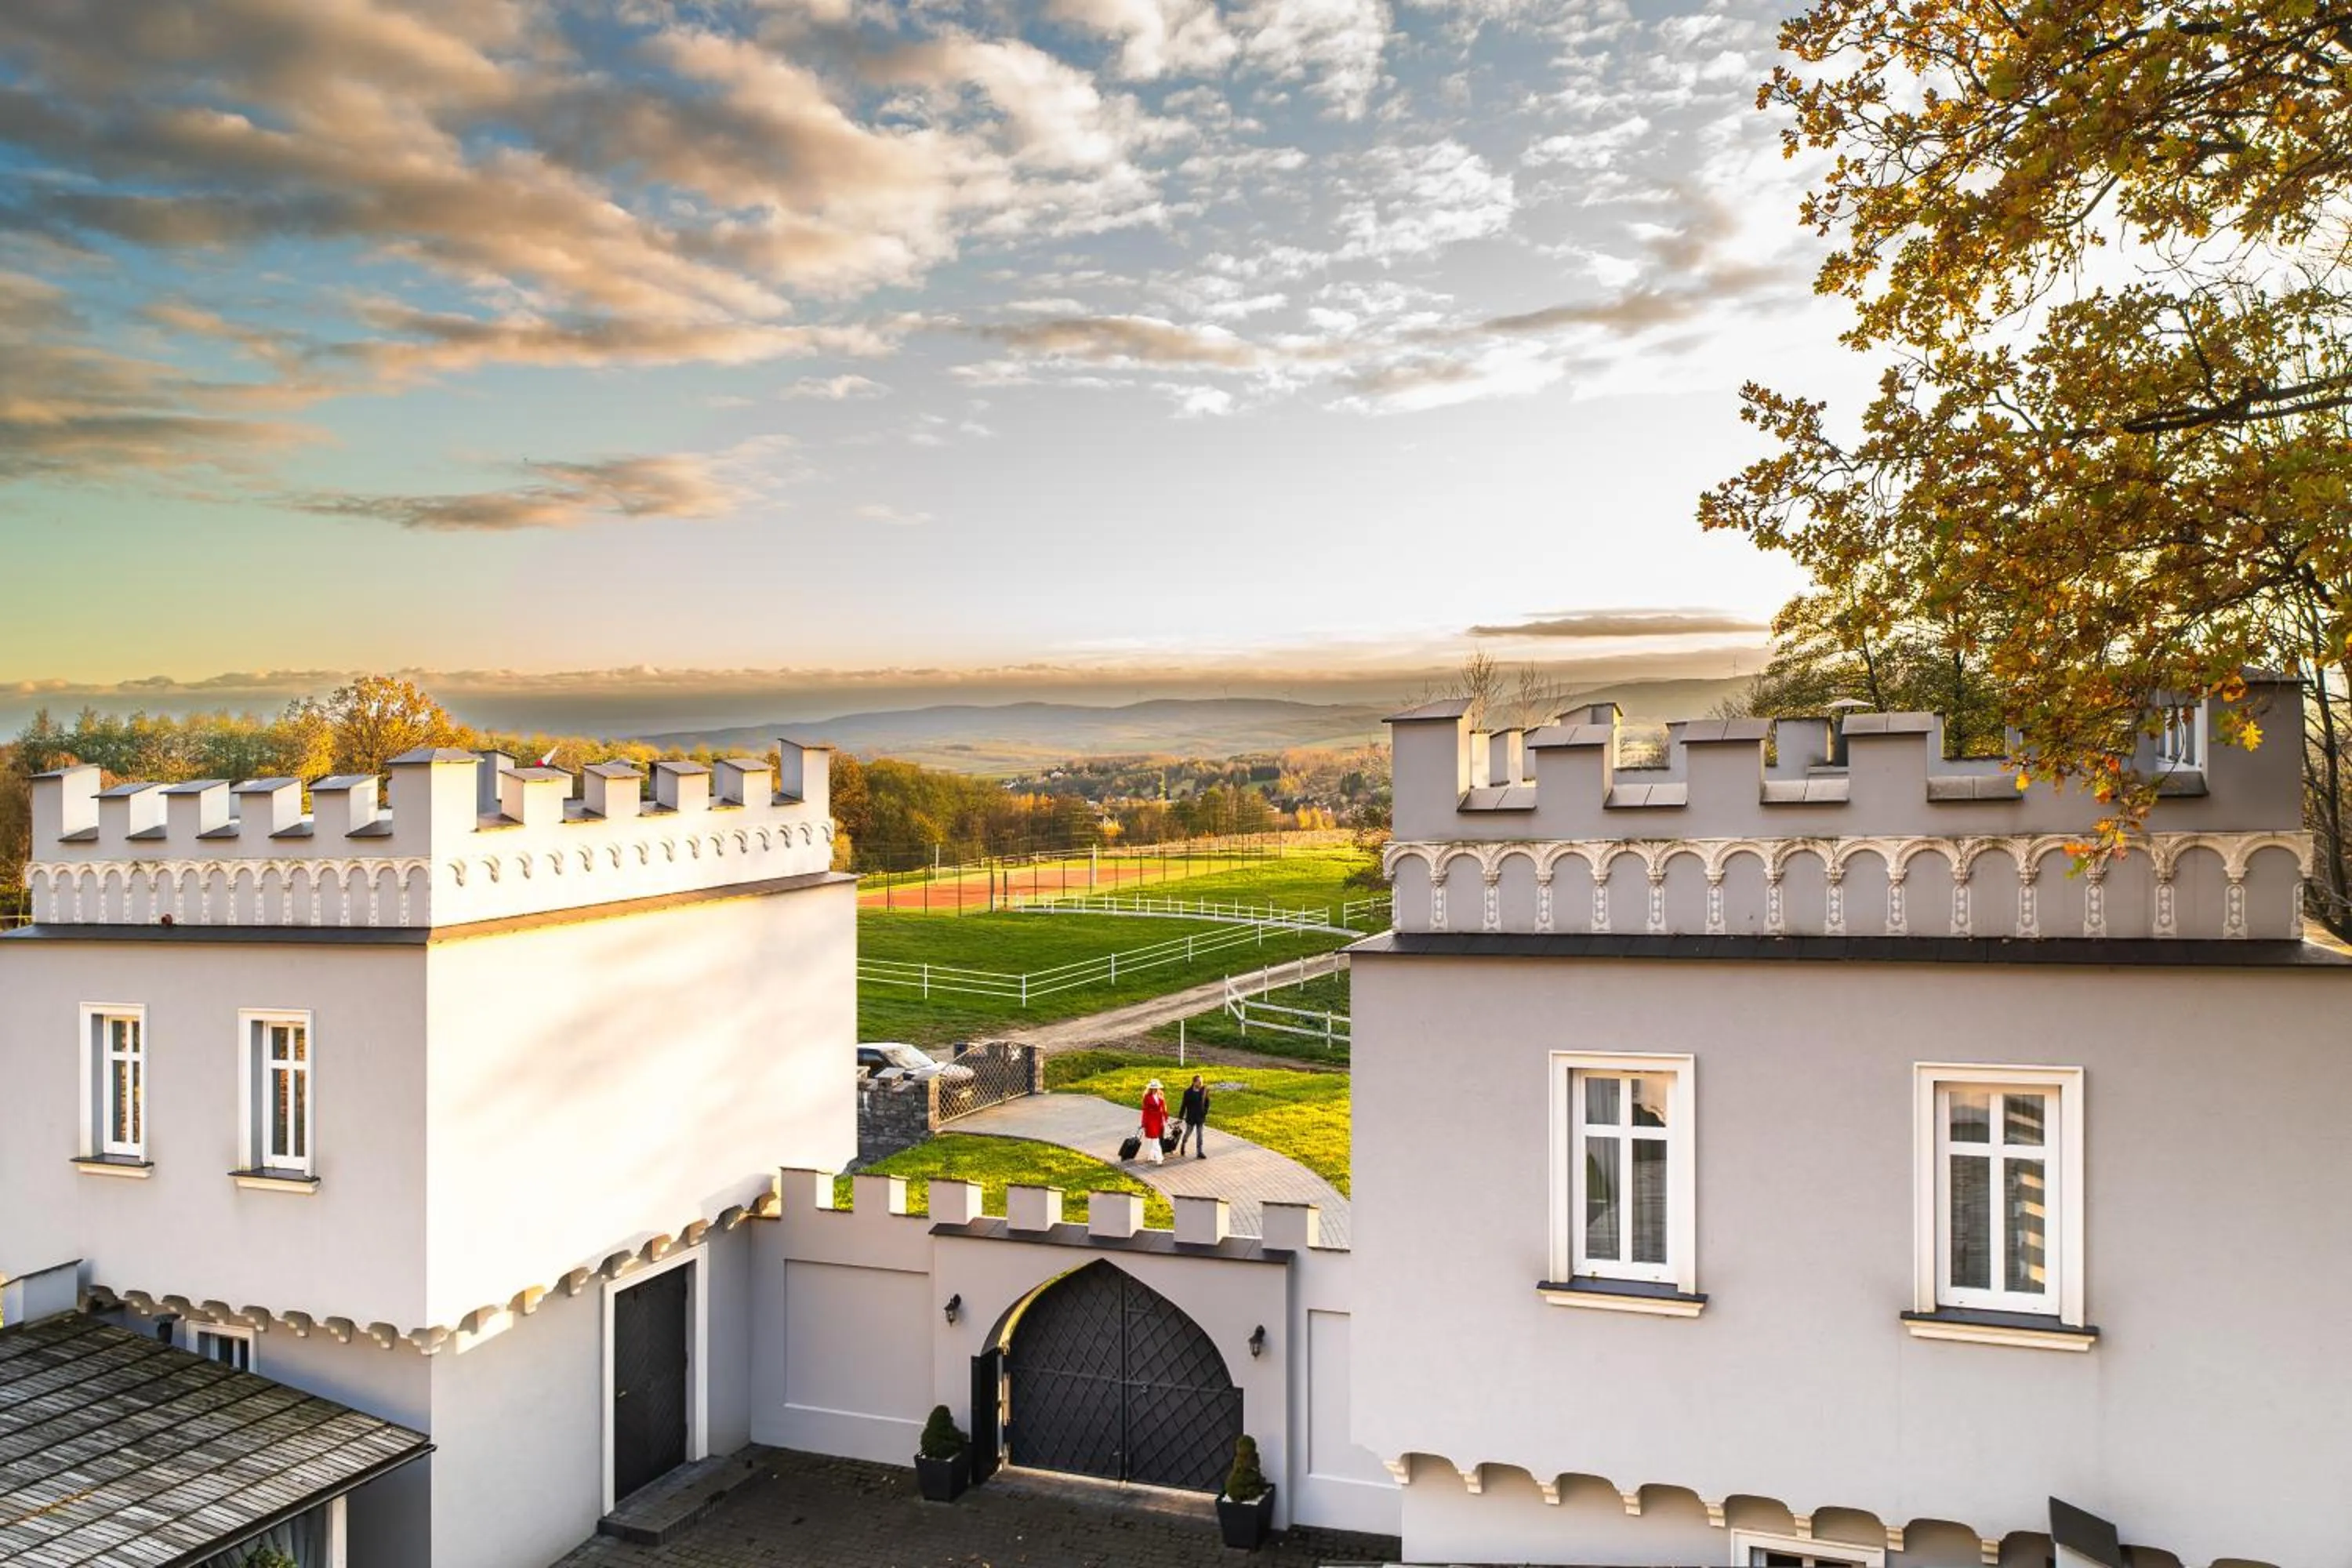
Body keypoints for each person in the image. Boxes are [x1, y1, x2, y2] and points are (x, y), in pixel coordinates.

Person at [1177, 1073, 1210, 1159]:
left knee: (1200, 1135)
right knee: (1188, 1133)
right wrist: (1180, 1117)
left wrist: (1205, 1112)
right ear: (1194, 1082)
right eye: (1199, 1082)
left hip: (1200, 1117)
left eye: (1201, 1082)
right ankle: (1183, 1143)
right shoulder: (1187, 1092)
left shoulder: (1204, 1090)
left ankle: (1199, 1152)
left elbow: (1207, 1102)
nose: (1201, 1084)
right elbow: (1183, 1105)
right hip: (1191, 1117)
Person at [1138, 1079, 1168, 1165]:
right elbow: (1145, 1111)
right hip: (1150, 1120)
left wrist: (1165, 1118)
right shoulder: (1147, 1098)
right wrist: (1144, 1122)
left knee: (1153, 1139)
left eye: (1156, 1088)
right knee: (1155, 1139)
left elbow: (1164, 1108)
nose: (1155, 1089)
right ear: (1150, 1088)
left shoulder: (1160, 1096)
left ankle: (1151, 1156)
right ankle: (1159, 1159)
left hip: (1159, 1120)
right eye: (1153, 1088)